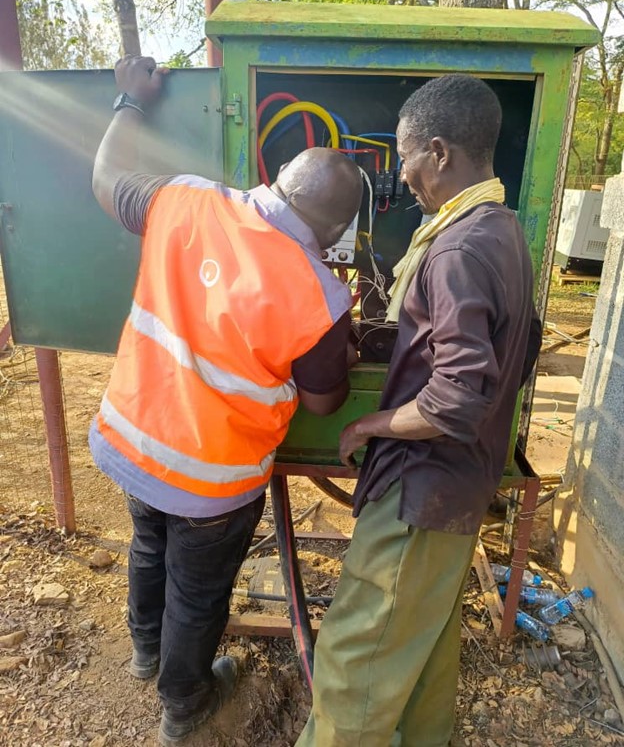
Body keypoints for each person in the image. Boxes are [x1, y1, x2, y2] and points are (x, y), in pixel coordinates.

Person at [88, 55, 363, 746]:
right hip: (212, 484)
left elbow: (103, 180)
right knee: (198, 592)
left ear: (277, 181)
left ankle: (145, 652)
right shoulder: (324, 296)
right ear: (333, 234)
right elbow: (326, 403)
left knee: (148, 545)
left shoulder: (182, 199)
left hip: (132, 442)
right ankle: (184, 702)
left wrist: (129, 102)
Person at [297, 74, 542, 747]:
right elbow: (519, 348)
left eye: (404, 156)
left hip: (421, 491)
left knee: (356, 661)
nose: (400, 174)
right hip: (460, 483)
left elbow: (458, 394)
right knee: (423, 648)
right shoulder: (499, 229)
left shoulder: (459, 248)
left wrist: (371, 422)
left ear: (438, 151)